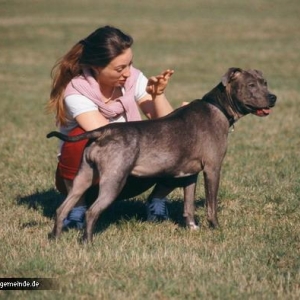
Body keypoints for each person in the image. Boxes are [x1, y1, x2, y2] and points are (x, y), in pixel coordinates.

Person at [47, 25, 176, 229]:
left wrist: (157, 95)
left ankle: (157, 200)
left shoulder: (133, 77)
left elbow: (172, 127)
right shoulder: (77, 93)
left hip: (130, 170)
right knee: (82, 135)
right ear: (97, 67)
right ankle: (78, 207)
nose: (127, 73)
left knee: (186, 135)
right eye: (119, 69)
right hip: (90, 179)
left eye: (129, 64)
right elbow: (108, 138)